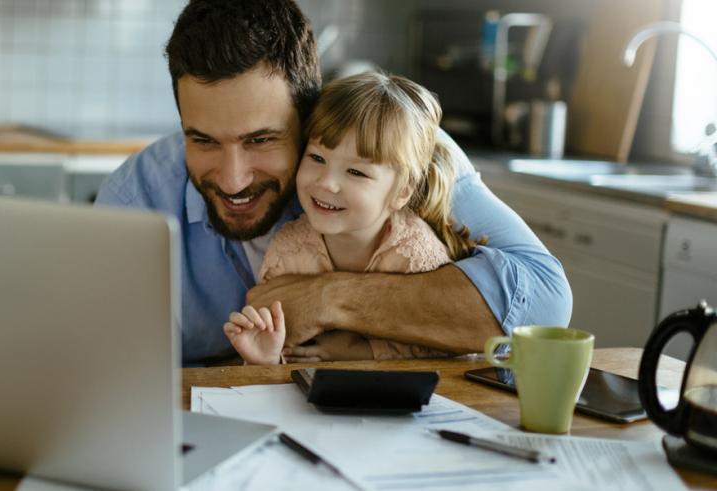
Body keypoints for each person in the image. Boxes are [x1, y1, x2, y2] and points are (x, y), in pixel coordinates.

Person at [95, 0, 571, 366]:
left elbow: (545, 303)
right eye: (202, 139)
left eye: (261, 139)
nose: (233, 178)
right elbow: (96, 369)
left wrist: (326, 298)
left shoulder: (385, 148)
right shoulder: (134, 201)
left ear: (307, 116)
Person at [224, 72, 477, 365]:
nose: (327, 183)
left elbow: (451, 348)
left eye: (356, 172)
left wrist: (359, 352)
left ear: (403, 191)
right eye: (317, 158)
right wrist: (265, 356)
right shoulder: (288, 249)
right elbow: (283, 352)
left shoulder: (417, 257)